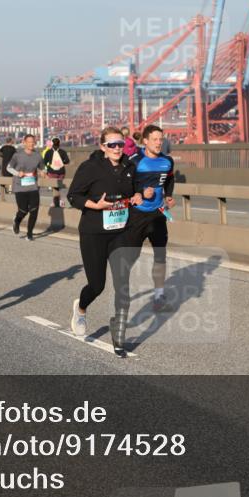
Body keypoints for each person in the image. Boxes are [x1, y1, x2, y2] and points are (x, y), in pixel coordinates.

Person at [67, 126, 143, 357]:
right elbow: (74, 196)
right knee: (97, 285)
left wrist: (139, 195)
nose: (117, 149)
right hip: (93, 232)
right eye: (112, 145)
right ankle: (80, 309)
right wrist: (96, 205)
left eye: (120, 144)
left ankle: (118, 336)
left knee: (122, 283)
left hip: (120, 232)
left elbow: (135, 189)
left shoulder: (130, 166)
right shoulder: (90, 167)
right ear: (103, 147)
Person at [126, 125, 176, 311]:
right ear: (145, 141)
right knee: (131, 256)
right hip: (137, 215)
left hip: (157, 214)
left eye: (160, 139)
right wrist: (139, 192)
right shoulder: (135, 160)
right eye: (155, 139)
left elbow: (170, 179)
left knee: (160, 256)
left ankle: (159, 297)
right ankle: (122, 294)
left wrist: (169, 195)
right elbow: (124, 183)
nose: (158, 143)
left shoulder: (167, 161)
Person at [7, 134, 43, 241]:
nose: (31, 143)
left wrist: (43, 172)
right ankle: (17, 221)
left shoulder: (38, 155)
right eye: (29, 142)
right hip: (20, 187)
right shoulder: (17, 155)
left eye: (33, 141)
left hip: (33, 186)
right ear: (24, 143)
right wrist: (18, 173)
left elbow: (42, 167)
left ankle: (29, 234)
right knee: (23, 210)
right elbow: (8, 168)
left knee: (34, 210)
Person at [42, 137, 70, 208]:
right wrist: (61, 162)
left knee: (55, 187)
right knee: (58, 187)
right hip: (61, 172)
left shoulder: (48, 152)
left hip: (51, 171)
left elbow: (44, 162)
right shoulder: (63, 152)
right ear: (59, 144)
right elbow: (67, 161)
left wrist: (47, 169)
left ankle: (57, 201)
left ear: (52, 144)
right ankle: (59, 201)